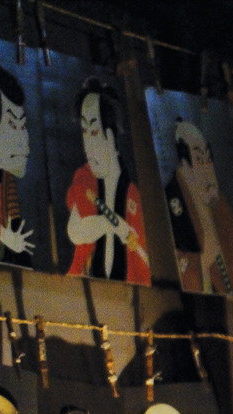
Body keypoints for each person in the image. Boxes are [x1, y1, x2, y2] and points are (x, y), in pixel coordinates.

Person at [65, 78, 150, 285]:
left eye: (94, 132)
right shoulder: (85, 177)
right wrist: (112, 224)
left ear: (110, 136)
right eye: (85, 132)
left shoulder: (134, 193)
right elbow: (76, 232)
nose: (88, 145)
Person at [165, 120, 233, 300]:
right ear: (184, 163)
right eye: (199, 159)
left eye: (208, 158)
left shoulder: (218, 202)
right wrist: (204, 259)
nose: (207, 167)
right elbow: (176, 261)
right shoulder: (173, 198)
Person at [0, 55, 33, 267]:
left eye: (23, 127)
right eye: (13, 125)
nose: (25, 146)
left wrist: (9, 239)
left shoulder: (4, 181)